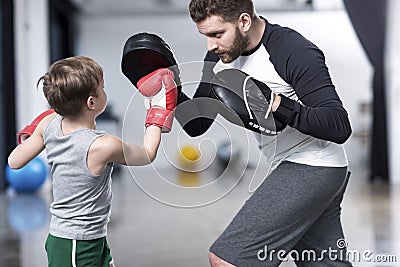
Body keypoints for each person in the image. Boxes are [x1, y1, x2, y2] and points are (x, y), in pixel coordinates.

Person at [174, 0, 353, 266]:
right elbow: (197, 124)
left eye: (216, 34)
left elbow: (338, 125)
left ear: (244, 21)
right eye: (205, 36)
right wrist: (168, 89)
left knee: (227, 258)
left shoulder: (292, 50)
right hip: (295, 164)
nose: (210, 45)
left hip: (313, 163)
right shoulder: (219, 56)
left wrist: (277, 104)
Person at [8, 56, 176, 266]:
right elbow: (147, 153)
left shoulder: (48, 123)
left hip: (88, 238)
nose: (106, 91)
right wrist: (157, 109)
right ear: (91, 102)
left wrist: (36, 132)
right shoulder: (103, 146)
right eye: (103, 87)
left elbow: (14, 162)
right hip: (76, 245)